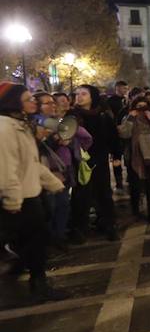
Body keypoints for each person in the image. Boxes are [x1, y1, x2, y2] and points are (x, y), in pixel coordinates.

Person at [0, 82, 67, 301]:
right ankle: (37, 283)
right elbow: (6, 166)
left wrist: (51, 182)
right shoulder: (5, 127)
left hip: (28, 194)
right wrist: (12, 199)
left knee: (34, 238)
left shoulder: (20, 125)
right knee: (37, 239)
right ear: (14, 102)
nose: (34, 102)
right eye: (29, 99)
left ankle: (24, 271)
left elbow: (30, 162)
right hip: (18, 197)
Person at [34, 92, 93, 249]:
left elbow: (83, 136)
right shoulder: (34, 125)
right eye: (47, 103)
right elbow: (35, 151)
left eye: (53, 102)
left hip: (64, 170)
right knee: (50, 209)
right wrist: (50, 140)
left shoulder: (56, 121)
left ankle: (58, 238)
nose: (53, 105)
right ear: (37, 106)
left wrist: (69, 140)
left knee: (63, 206)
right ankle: (47, 241)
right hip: (47, 172)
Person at [70, 85, 120, 240]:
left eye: (84, 94)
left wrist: (117, 156)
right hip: (80, 161)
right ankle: (79, 228)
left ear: (93, 96)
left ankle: (108, 224)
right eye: (77, 94)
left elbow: (113, 137)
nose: (79, 97)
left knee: (103, 193)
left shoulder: (103, 116)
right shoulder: (72, 116)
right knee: (81, 195)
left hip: (100, 159)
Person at [118, 96, 150, 223]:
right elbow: (124, 133)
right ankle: (136, 211)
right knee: (135, 186)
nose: (141, 110)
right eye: (139, 107)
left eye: (144, 106)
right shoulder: (128, 118)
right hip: (134, 155)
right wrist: (131, 117)